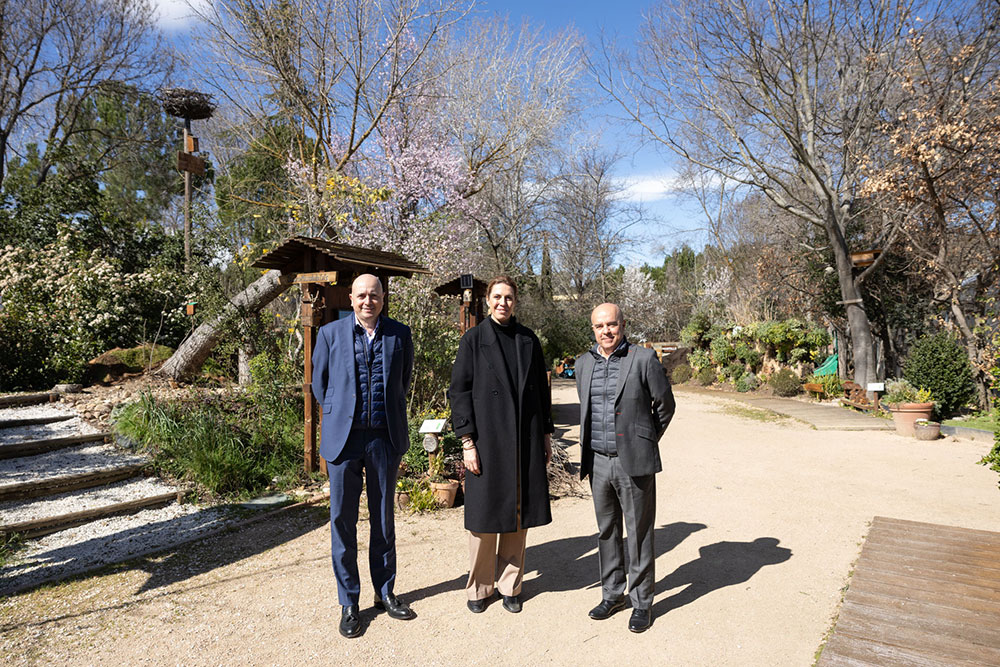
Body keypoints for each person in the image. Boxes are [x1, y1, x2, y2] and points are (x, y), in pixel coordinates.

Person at [311, 273, 415, 638]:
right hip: (344, 443)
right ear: (351, 299)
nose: (367, 301)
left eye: (374, 295)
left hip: (384, 439)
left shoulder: (399, 334)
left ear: (383, 298)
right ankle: (348, 601)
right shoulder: (330, 334)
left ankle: (385, 592)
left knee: (383, 520)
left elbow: (402, 382)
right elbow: (319, 385)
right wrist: (340, 411)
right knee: (342, 521)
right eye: (361, 295)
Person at [449, 276, 553, 614]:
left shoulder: (528, 340)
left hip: (524, 439)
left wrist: (546, 436)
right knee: (482, 520)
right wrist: (467, 442)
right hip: (486, 441)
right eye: (497, 297)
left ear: (515, 301)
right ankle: (480, 587)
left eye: (508, 297)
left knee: (517, 517)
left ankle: (511, 585)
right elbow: (459, 393)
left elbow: (542, 393)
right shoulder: (473, 340)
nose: (502, 303)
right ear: (488, 300)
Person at [575, 303, 675, 633]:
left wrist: (644, 439)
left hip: (634, 462)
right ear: (593, 329)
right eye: (599, 326)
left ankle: (642, 602)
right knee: (606, 532)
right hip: (598, 461)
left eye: (612, 324)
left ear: (623, 324)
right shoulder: (583, 363)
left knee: (639, 533)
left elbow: (665, 405)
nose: (606, 331)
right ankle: (612, 593)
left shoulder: (643, 359)